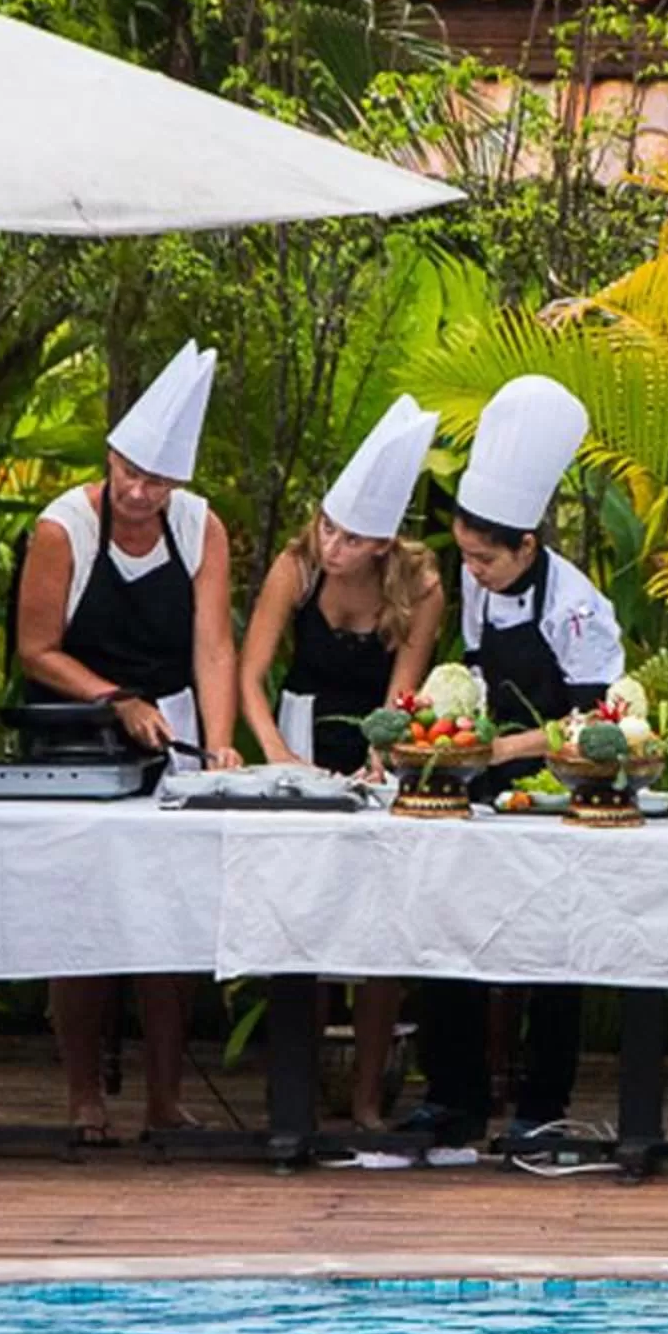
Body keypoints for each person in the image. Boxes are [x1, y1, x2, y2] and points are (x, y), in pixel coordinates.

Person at [16, 341, 242, 1142]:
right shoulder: (63, 529)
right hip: (74, 733)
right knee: (82, 911)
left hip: (168, 736)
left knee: (168, 913)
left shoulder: (199, 526)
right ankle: (83, 1095)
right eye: (131, 477)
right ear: (110, 460)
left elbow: (214, 646)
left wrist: (218, 745)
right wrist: (116, 700)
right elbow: (36, 648)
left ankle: (165, 1096)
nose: (141, 494)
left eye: (158, 482)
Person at [405, 374, 625, 1154]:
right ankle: (453, 1098)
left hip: (559, 791)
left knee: (550, 948)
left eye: (485, 559)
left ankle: (543, 1102)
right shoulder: (478, 584)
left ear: (526, 545)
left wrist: (507, 750)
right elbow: (475, 670)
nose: (473, 571)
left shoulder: (575, 606)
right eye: (464, 556)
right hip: (483, 786)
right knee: (449, 929)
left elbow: (599, 719)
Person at [239, 395, 444, 1131]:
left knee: (381, 925)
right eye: (329, 525)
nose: (333, 545)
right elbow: (251, 672)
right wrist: (277, 755)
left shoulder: (421, 588)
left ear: (384, 546)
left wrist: (377, 760)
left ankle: (366, 1099)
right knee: (301, 918)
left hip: (371, 748)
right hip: (297, 737)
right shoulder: (297, 568)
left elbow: (404, 691)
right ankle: (293, 1097)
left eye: (353, 538)